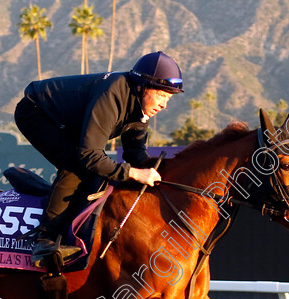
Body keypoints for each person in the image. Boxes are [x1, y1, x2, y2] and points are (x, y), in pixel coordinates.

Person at [14, 51, 184, 267]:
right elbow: (89, 156)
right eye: (161, 95)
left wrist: (159, 174)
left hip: (66, 121)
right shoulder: (112, 94)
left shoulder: (139, 109)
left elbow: (135, 155)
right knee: (76, 166)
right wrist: (134, 173)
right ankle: (44, 241)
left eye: (168, 98)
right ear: (141, 86)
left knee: (94, 168)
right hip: (35, 112)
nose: (164, 105)